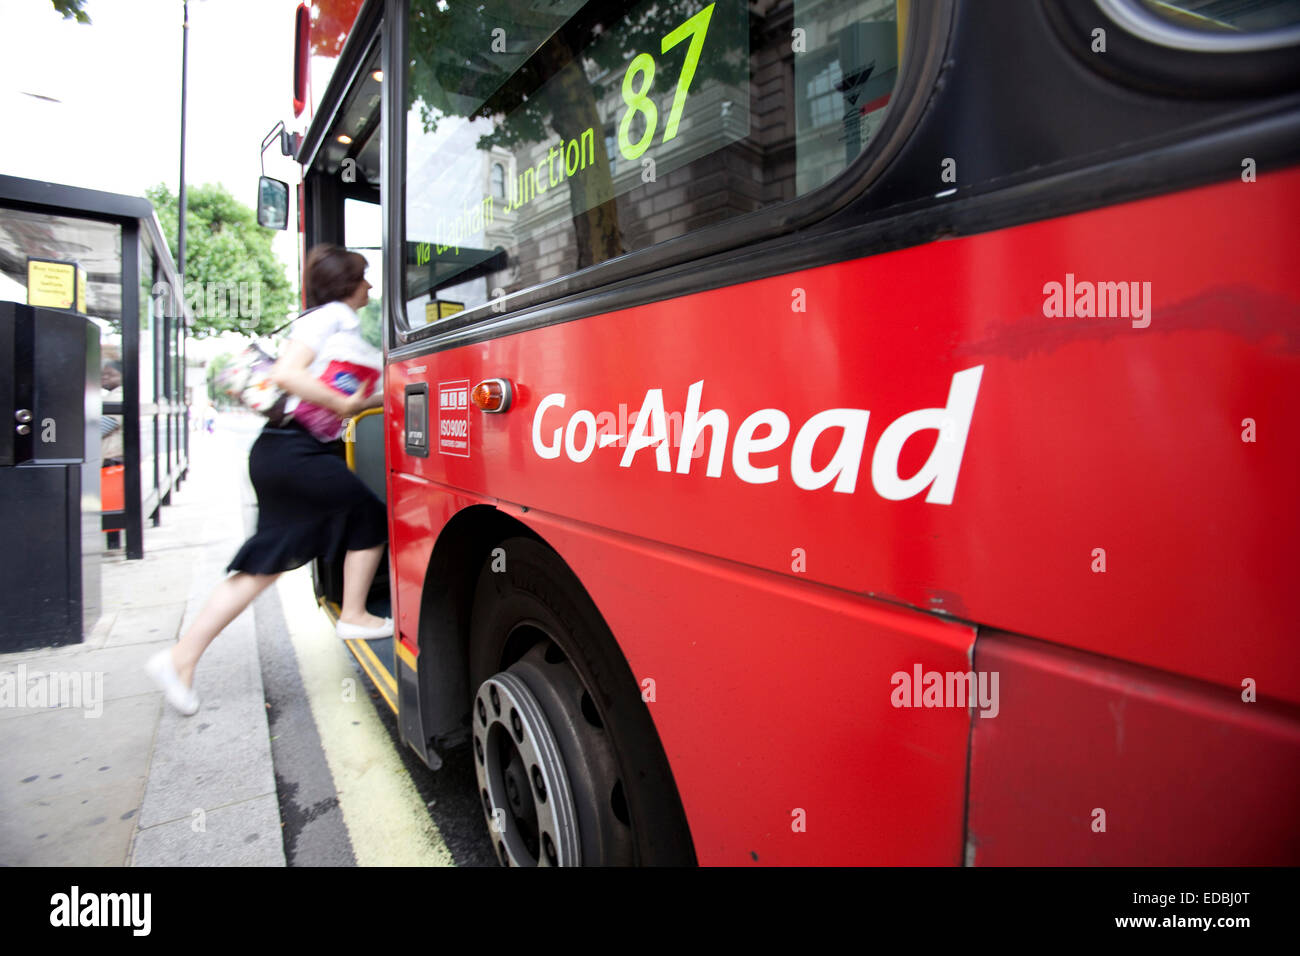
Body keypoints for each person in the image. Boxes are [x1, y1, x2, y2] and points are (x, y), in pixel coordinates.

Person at [146, 245, 389, 716]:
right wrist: (345, 405)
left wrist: (372, 396)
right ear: (347, 284)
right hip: (294, 452)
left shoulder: (336, 321)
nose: (371, 286)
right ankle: (355, 615)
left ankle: (180, 658)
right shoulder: (331, 317)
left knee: (266, 565)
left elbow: (331, 389)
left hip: (287, 451)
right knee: (369, 517)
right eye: (365, 277)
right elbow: (287, 374)